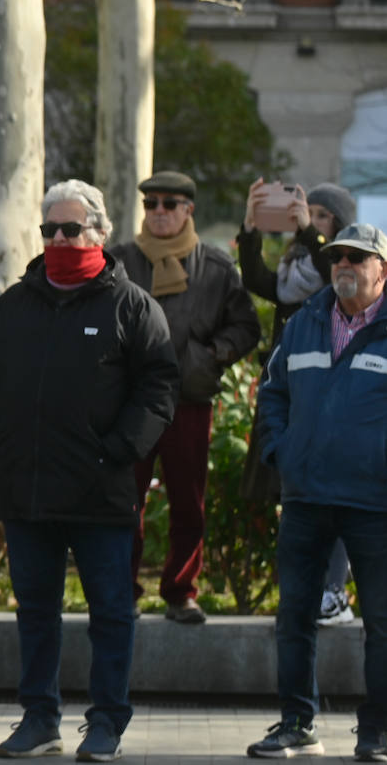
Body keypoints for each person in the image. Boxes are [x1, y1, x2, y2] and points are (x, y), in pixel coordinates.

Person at [0, 180, 178, 762]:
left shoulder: (131, 305)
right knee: (36, 613)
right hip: (27, 492)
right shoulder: (14, 304)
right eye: (50, 230)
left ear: (100, 233)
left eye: (71, 229)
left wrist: (117, 449)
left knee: (110, 613)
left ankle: (106, 722)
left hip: (100, 493)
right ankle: (39, 718)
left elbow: (160, 386)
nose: (60, 240)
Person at [247, 223, 387, 762]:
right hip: (306, 496)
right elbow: (272, 391)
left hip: (376, 502)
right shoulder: (305, 322)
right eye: (336, 257)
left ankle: (377, 730)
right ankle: (296, 722)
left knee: (382, 623)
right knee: (295, 616)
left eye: (358, 256)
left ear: (385, 270)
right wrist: (282, 452)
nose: (344, 265)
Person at [111, 171, 260, 624]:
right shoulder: (116, 262)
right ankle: (122, 591)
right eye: (151, 204)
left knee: (188, 501)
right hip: (131, 403)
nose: (158, 212)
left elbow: (247, 327)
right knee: (124, 502)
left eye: (168, 204)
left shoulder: (215, 268)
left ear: (188, 211)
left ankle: (181, 591)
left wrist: (210, 355)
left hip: (188, 400)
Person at [236, 180, 359, 627]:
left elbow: (331, 264)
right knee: (294, 499)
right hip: (288, 395)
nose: (309, 220)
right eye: (310, 212)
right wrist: (251, 228)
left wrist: (310, 231)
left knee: (334, 497)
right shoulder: (293, 267)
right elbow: (257, 281)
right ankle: (306, 591)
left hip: (326, 399)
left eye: (323, 215)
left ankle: (333, 592)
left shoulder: (342, 270)